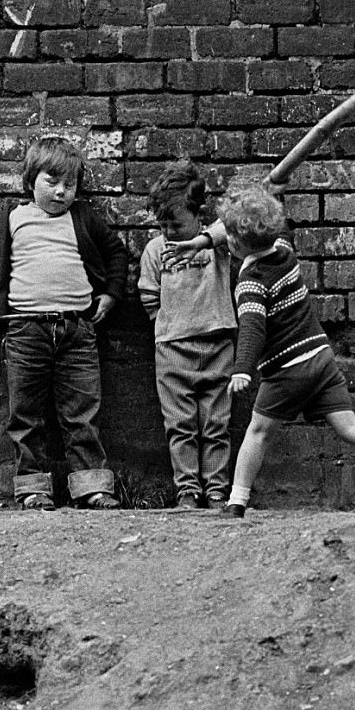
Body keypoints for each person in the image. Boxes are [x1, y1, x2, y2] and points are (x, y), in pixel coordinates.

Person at [178, 180, 355, 521]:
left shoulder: (251, 283)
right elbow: (240, 232)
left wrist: (242, 369)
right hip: (321, 359)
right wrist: (206, 239)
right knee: (350, 426)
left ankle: (236, 502)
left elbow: (252, 329)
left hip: (286, 369)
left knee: (258, 432)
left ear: (233, 242)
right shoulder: (285, 251)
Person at [0, 135, 127, 510]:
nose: (62, 192)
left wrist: (112, 294)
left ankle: (92, 486)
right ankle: (33, 487)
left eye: (70, 184)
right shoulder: (12, 221)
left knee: (82, 413)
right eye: (52, 182)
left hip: (77, 330)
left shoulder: (82, 218)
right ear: (30, 180)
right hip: (25, 332)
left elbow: (116, 253)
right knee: (26, 415)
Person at [137, 162, 237, 511]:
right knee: (180, 425)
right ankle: (187, 492)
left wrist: (201, 240)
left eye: (176, 224)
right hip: (172, 350)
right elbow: (149, 295)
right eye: (162, 225)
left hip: (217, 344)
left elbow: (236, 226)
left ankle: (216, 491)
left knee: (216, 423)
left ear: (198, 214)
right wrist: (166, 325)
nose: (169, 232)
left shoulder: (216, 245)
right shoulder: (155, 250)